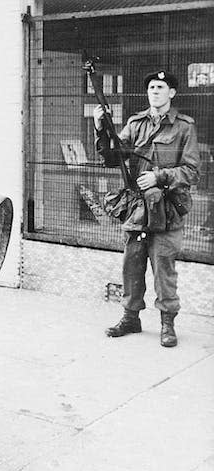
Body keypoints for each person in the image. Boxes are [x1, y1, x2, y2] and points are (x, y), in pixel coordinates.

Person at [94, 71, 200, 347]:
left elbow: (191, 172)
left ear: (172, 93)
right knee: (132, 265)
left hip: (167, 209)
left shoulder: (184, 127)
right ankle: (131, 318)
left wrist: (159, 176)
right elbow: (112, 158)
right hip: (138, 208)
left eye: (160, 87)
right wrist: (101, 128)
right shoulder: (136, 123)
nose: (154, 91)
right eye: (151, 87)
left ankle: (167, 324)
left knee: (164, 267)